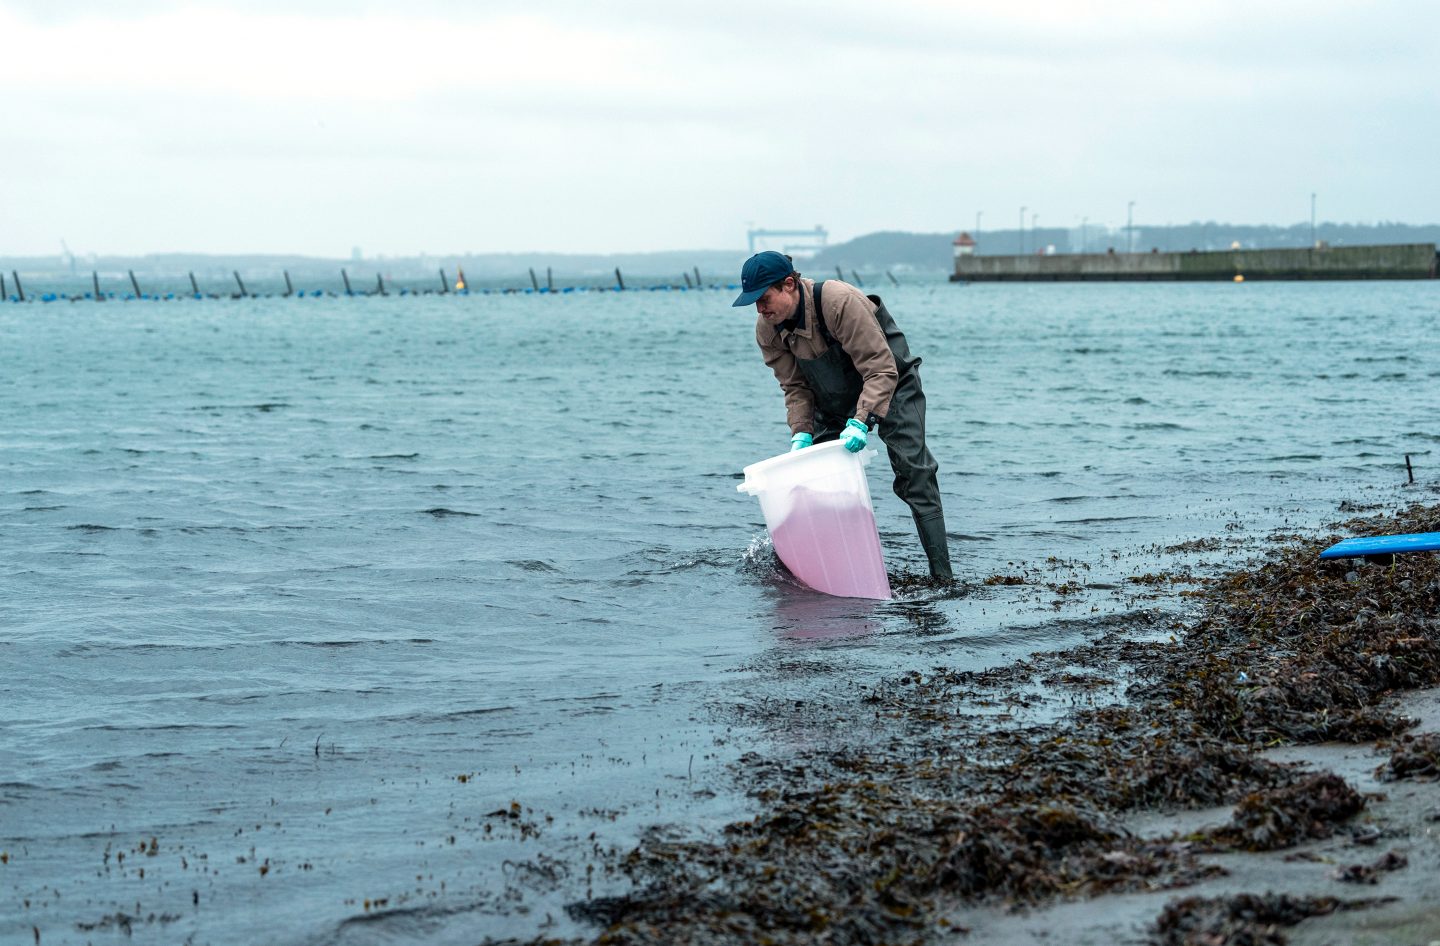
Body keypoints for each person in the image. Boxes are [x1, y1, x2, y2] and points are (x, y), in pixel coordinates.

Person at [733, 251, 953, 582]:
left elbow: (880, 369)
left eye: (764, 299)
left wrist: (861, 421)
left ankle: (943, 579)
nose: (760, 309)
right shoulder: (767, 330)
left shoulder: (838, 302)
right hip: (831, 399)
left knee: (914, 473)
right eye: (754, 303)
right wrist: (801, 432)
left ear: (789, 284)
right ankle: (838, 575)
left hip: (892, 385)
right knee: (815, 485)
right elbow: (795, 387)